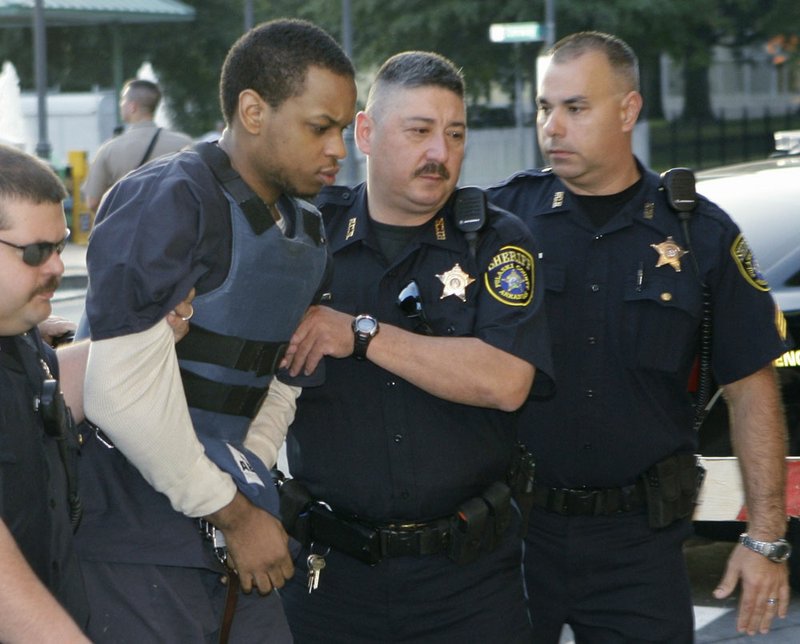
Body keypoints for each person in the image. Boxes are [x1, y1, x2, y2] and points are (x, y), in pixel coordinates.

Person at [486, 31, 791, 642]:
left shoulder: (700, 235)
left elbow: (752, 391)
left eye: (576, 108)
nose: (553, 126)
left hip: (640, 549)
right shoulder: (503, 224)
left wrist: (765, 538)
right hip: (514, 537)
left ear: (628, 110)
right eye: (546, 108)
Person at [79, 19, 356, 642]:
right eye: (320, 127)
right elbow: (115, 394)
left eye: (342, 128)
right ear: (253, 111)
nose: (339, 148)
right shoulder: (170, 201)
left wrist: (247, 484)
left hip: (233, 531)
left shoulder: (308, 234)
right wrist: (232, 515)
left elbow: (280, 383)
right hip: (135, 538)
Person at [276, 51, 553, 643]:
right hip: (331, 578)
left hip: (468, 582)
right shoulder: (304, 239)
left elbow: (507, 381)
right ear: (366, 134)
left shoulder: (495, 241)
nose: (441, 153)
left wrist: (360, 334)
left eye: (455, 135)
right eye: (420, 131)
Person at [0, 143, 91, 643]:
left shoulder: (22, 337)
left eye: (61, 246)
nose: (57, 266)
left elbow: (54, 401)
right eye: (37, 251)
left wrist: (153, 335)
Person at [82, 78, 193, 213]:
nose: (121, 104)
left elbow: (92, 202)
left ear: (132, 106)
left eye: (123, 99)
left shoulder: (109, 149)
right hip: (174, 229)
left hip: (126, 230)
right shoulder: (184, 145)